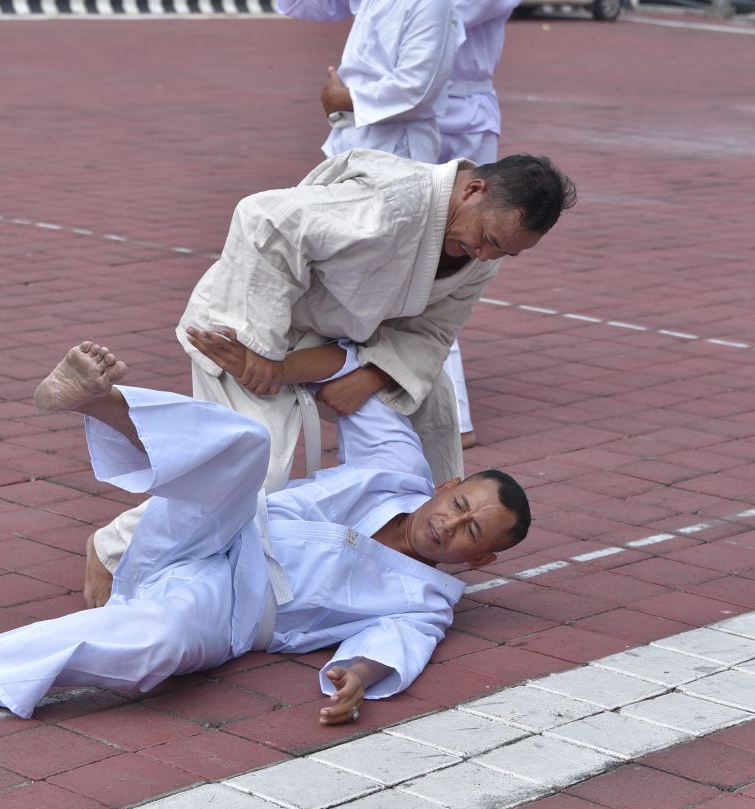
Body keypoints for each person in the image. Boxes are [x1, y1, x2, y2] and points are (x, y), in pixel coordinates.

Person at [0, 337, 531, 725]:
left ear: (480, 561)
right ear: (447, 484)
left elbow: (389, 649)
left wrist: (357, 679)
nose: (450, 524)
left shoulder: (428, 602)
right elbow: (350, 371)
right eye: (459, 504)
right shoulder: (400, 469)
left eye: (472, 531)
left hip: (230, 609)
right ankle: (96, 400)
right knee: (247, 445)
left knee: (158, 645)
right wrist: (273, 361)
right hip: (223, 526)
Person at [87, 150, 574, 607]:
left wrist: (373, 373)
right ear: (473, 190)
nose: (485, 255)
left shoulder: (478, 252)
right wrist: (262, 354)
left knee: (436, 410)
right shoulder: (393, 202)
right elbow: (265, 217)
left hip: (347, 338)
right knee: (257, 467)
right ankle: (115, 549)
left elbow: (433, 330)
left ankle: (411, 551)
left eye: (503, 253)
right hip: (254, 330)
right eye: (489, 238)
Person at [438, 0, 521, 450]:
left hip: (458, 112)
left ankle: (452, 415)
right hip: (393, 111)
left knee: (451, 256)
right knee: (397, 249)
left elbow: (431, 16)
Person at [277, 0, 464, 164]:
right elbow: (315, 6)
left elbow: (416, 85)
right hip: (349, 136)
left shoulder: (431, 3)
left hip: (397, 148)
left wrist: (348, 99)